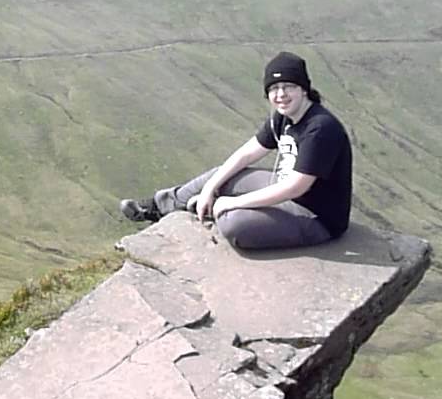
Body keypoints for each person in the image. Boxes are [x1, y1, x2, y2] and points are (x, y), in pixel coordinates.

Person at [119, 51, 352, 250]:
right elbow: (246, 154)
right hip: (283, 188)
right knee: (223, 173)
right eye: (274, 88)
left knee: (235, 226)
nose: (281, 94)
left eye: (289, 86)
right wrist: (210, 188)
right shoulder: (284, 118)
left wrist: (232, 203)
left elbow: (295, 187)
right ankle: (161, 206)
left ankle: (213, 212)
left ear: (304, 89)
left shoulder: (320, 128)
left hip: (316, 216)